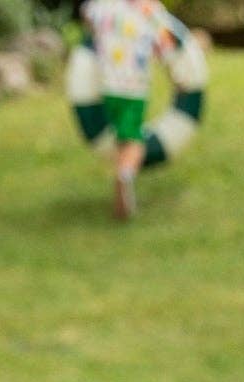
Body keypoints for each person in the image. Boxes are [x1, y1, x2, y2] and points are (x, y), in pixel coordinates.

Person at [81, 0, 192, 219]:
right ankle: (125, 176)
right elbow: (165, 45)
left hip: (108, 86)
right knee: (134, 140)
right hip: (134, 87)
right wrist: (178, 78)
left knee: (123, 136)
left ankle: (122, 182)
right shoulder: (150, 10)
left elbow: (87, 15)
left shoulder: (103, 6)